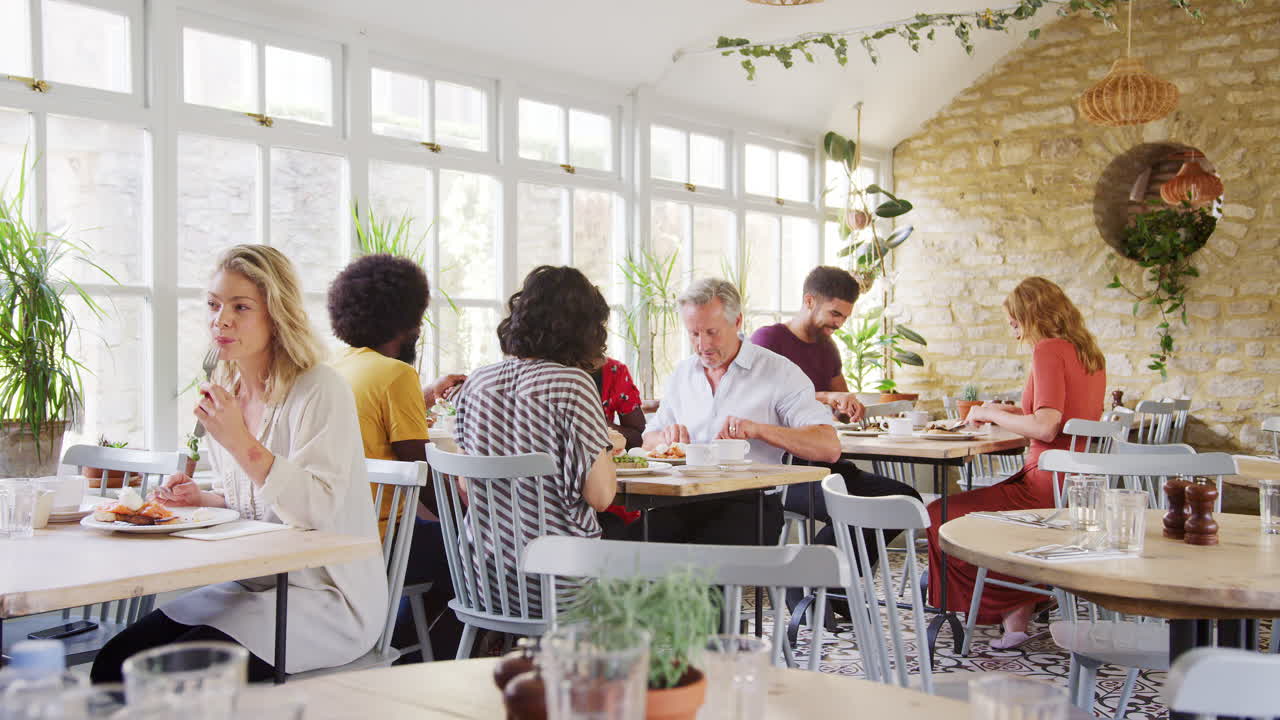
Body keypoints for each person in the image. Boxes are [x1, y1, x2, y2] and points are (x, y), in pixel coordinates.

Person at [91, 245, 386, 682]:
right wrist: (202, 496)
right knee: (114, 664)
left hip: (328, 597)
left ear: (276, 313)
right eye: (213, 305)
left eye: (240, 307)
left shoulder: (320, 389)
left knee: (168, 676)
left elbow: (316, 512)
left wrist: (239, 441)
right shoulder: (227, 387)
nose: (220, 320)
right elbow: (249, 500)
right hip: (257, 584)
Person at [925, 276, 1107, 649]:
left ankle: (1009, 602)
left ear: (1032, 315)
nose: (1015, 334)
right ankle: (1018, 612)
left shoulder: (1049, 350)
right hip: (1074, 488)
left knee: (939, 514)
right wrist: (993, 410)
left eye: (1014, 324)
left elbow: (1046, 424)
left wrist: (990, 414)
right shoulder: (1088, 353)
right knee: (973, 515)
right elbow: (1052, 415)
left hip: (1043, 485)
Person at [451, 265, 624, 613]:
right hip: (561, 586)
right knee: (646, 582)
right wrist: (604, 446)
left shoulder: (477, 384)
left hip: (483, 582)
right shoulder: (572, 385)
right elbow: (602, 497)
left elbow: (467, 488)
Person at [326, 253, 462, 661]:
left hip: (342, 533)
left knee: (452, 550)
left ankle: (399, 643)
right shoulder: (397, 374)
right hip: (384, 539)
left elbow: (374, 423)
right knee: (480, 562)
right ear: (409, 322)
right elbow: (420, 474)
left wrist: (426, 395)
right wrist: (471, 517)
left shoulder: (338, 368)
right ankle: (418, 660)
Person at [639, 278, 841, 545]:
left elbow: (829, 447)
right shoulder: (683, 373)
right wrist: (667, 439)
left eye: (712, 332)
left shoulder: (779, 372)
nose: (702, 345)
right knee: (627, 549)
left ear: (737, 322)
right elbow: (647, 440)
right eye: (694, 334)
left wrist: (758, 430)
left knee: (699, 566)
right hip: (683, 501)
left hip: (751, 505)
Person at [750, 266, 921, 569]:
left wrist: (847, 407)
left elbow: (840, 406)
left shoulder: (828, 348)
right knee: (858, 511)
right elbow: (760, 399)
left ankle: (835, 593)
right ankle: (803, 581)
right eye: (835, 314)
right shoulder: (768, 340)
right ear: (809, 301)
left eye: (844, 317)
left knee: (904, 500)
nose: (840, 323)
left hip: (827, 463)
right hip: (785, 472)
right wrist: (827, 397)